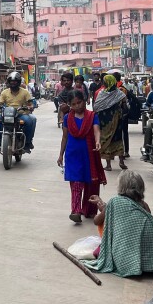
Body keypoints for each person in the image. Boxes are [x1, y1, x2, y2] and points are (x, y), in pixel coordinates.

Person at [83, 171, 153, 277]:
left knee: (99, 250)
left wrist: (103, 208)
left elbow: (96, 221)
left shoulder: (114, 202)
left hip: (125, 262)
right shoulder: (144, 205)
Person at [57, 91, 106, 224]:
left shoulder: (92, 116)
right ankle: (76, 211)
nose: (77, 106)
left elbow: (96, 130)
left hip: (88, 154)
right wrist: (61, 154)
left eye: (79, 102)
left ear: (85, 101)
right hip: (73, 155)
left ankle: (89, 209)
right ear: (69, 105)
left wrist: (98, 141)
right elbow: (65, 137)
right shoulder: (67, 118)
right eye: (73, 104)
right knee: (76, 183)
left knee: (90, 182)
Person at [0, 72, 37, 153]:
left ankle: (27, 143)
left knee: (29, 121)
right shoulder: (4, 92)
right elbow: (0, 103)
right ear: (8, 82)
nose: (13, 83)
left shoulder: (25, 92)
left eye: (15, 81)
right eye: (11, 81)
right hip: (7, 113)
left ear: (19, 82)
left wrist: (30, 107)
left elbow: (30, 104)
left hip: (21, 114)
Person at [93, 74, 128, 172]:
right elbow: (125, 107)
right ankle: (121, 162)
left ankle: (108, 165)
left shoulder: (101, 93)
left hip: (105, 122)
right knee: (118, 140)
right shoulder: (120, 94)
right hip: (117, 121)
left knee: (107, 140)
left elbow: (96, 107)